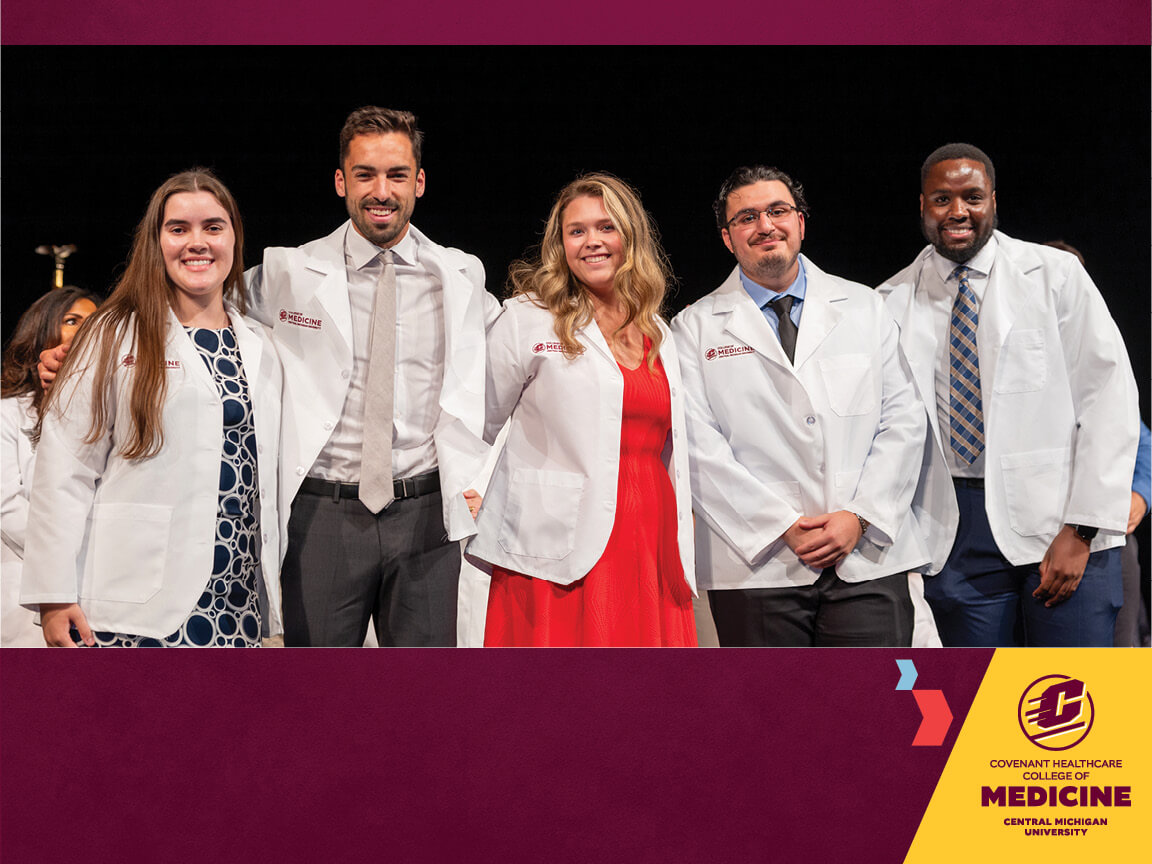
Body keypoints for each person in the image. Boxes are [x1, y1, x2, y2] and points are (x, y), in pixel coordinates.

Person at [244, 106, 499, 646]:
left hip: (427, 516)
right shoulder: (287, 272)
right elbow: (193, 312)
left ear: (419, 182)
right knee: (318, 700)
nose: (381, 190)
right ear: (341, 181)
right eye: (365, 174)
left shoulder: (460, 275)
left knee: (424, 702)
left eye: (396, 175)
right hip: (322, 515)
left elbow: (521, 351)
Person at [877, 143, 1139, 647]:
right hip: (952, 530)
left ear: (994, 200)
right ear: (922, 206)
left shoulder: (1056, 276)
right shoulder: (888, 301)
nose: (958, 212)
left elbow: (1108, 401)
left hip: (1061, 522)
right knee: (979, 704)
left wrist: (1081, 529)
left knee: (1072, 705)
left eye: (972, 197)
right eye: (942, 199)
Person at [20, 169, 284, 646]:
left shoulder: (260, 342)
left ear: (234, 238)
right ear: (155, 241)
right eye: (178, 228)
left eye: (213, 227)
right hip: (135, 605)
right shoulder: (110, 332)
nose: (196, 242)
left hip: (237, 601)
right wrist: (53, 595)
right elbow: (64, 469)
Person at [671, 165, 929, 647]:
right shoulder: (694, 328)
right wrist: (782, 526)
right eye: (747, 217)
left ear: (801, 223)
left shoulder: (864, 307)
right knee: (773, 717)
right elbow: (696, 447)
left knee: (872, 712)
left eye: (777, 211)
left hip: (866, 557)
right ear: (728, 238)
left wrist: (859, 515)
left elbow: (904, 421)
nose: (765, 225)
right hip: (758, 566)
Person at [466, 173, 697, 646]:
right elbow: (477, 419)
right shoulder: (528, 316)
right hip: (555, 537)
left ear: (629, 236)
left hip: (649, 533)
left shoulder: (657, 330)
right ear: (561, 244)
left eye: (605, 227)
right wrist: (466, 488)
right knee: (559, 691)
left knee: (646, 693)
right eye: (577, 231)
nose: (592, 241)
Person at [2, 285, 102, 645]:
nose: (83, 330)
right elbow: (8, 506)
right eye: (72, 320)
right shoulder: (7, 412)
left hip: (96, 588)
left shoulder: (109, 414)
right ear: (41, 330)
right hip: (25, 587)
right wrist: (63, 559)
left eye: (94, 322)